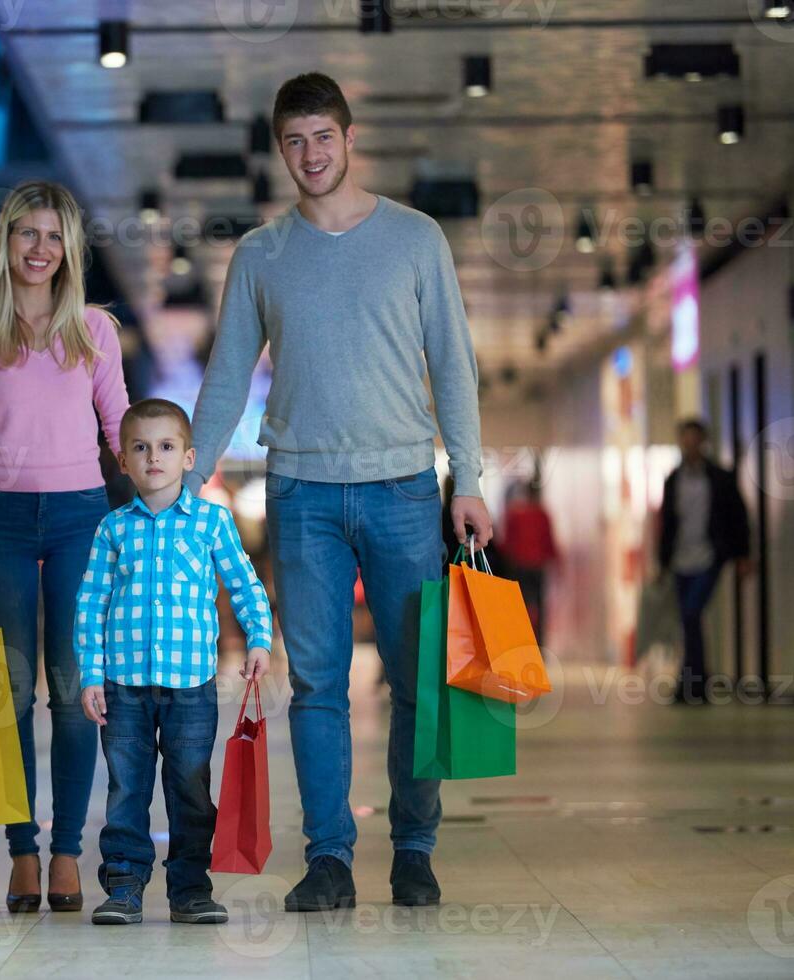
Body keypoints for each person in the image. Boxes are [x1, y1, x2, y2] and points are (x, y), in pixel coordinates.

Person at [183, 72, 490, 911]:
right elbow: (223, 381)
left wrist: (468, 478)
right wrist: (180, 485)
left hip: (400, 489)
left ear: (349, 139)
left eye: (323, 137)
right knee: (315, 686)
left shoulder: (414, 238)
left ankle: (414, 850)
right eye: (294, 141)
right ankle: (328, 860)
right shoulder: (260, 255)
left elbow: (452, 368)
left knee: (416, 683)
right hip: (301, 494)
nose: (310, 154)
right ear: (280, 151)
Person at [0, 180, 130, 912]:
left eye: (54, 237)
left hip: (84, 515)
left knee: (78, 692)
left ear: (69, 250)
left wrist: (162, 507)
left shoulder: (94, 331)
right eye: (28, 235)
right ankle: (23, 852)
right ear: (5, 244)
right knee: (12, 695)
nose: (41, 249)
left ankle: (67, 855)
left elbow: (117, 425)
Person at [74, 399, 273, 925]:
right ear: (123, 461)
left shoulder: (211, 522)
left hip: (191, 686)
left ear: (188, 457)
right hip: (123, 686)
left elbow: (245, 583)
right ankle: (123, 885)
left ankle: (190, 888)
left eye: (166, 447)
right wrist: (91, 673)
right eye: (140, 448)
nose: (153, 457)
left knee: (190, 786)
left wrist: (259, 638)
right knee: (126, 787)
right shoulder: (113, 529)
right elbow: (90, 603)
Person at [657, 418, 752, 704]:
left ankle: (693, 682)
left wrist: (742, 555)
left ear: (703, 441)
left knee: (690, 613)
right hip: (681, 559)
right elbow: (667, 524)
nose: (690, 444)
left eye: (694, 438)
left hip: (710, 557)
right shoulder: (674, 479)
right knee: (688, 620)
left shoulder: (720, 478)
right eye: (685, 438)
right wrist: (662, 563)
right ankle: (694, 682)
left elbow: (738, 517)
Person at [499, 481, 559, 634]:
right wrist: (556, 563)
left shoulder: (515, 515)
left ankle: (522, 640)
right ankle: (538, 644)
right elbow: (549, 541)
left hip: (519, 566)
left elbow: (507, 543)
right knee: (539, 606)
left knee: (520, 605)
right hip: (537, 566)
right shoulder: (542, 515)